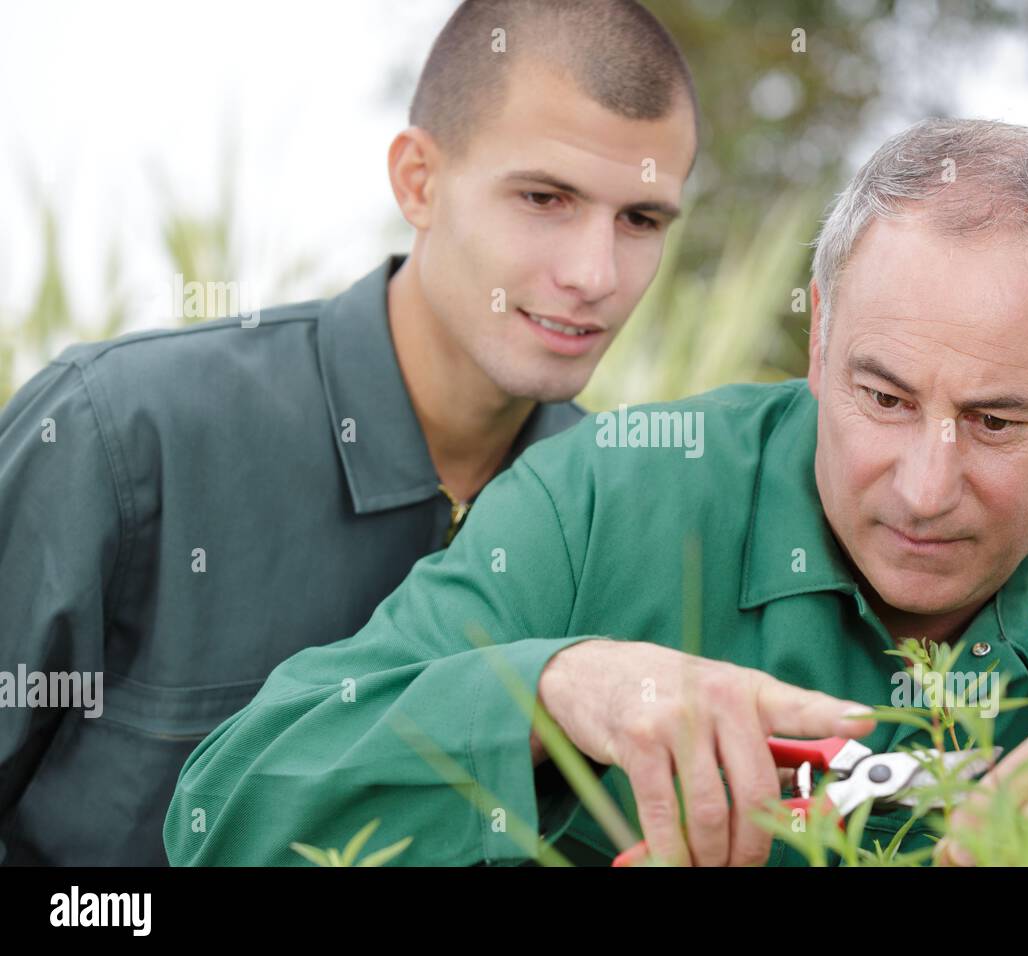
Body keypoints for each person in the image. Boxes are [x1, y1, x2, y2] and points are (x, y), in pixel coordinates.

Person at [164, 118, 1028, 868]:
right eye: (881, 398)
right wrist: (557, 690)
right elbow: (228, 810)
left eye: (996, 422)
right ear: (822, 334)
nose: (927, 488)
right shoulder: (604, 501)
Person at [0, 0, 698, 865]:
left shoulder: (631, 520)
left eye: (641, 219)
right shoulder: (119, 433)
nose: (594, 274)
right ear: (419, 181)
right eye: (545, 198)